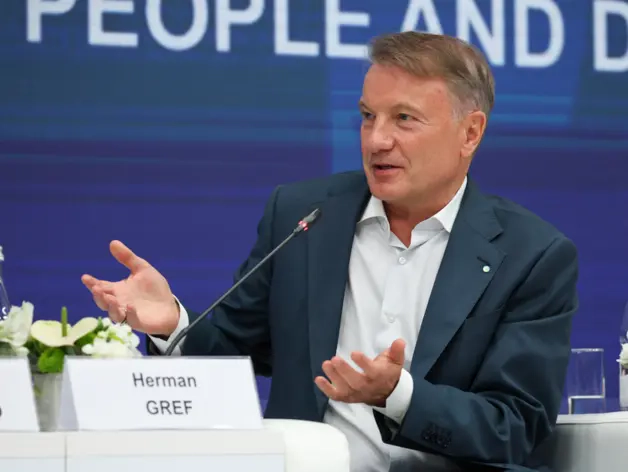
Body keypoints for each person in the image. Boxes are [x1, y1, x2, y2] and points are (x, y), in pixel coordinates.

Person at [82, 31, 578, 472]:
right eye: (367, 116)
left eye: (404, 119)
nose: (377, 140)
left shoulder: (532, 255)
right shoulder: (303, 216)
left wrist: (398, 395)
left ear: (470, 132)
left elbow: (516, 426)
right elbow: (233, 350)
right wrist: (171, 322)